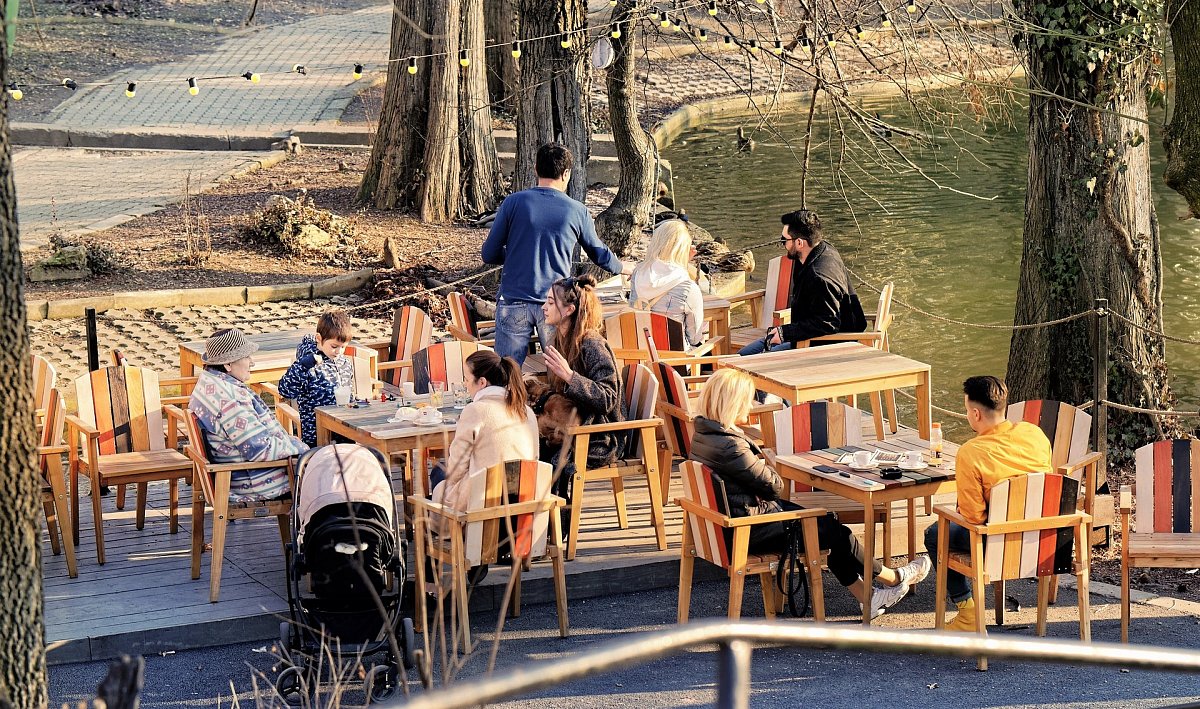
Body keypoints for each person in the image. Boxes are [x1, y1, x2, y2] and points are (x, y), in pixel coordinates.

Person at [689, 369, 931, 618]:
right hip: (751, 530)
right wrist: (762, 458)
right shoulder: (732, 446)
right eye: (746, 400)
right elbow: (774, 486)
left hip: (735, 526)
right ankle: (894, 578)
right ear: (732, 403)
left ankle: (869, 597)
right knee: (836, 533)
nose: (750, 406)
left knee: (829, 526)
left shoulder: (703, 436)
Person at [482, 142, 632, 365]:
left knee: (506, 373)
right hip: (556, 303)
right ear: (566, 173)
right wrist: (622, 267)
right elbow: (598, 252)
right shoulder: (577, 211)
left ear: (535, 168)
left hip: (513, 300)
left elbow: (489, 253)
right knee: (561, 371)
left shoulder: (513, 203)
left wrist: (516, 257)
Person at [924, 375, 1052, 632]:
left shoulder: (971, 452)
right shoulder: (1035, 434)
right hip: (1042, 540)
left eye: (966, 411)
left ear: (975, 414)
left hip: (998, 546)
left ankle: (968, 613)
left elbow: (974, 518)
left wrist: (956, 511)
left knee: (935, 534)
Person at [540, 274, 624, 525]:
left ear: (569, 310)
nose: (543, 307)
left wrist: (570, 376)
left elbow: (608, 398)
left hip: (600, 437)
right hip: (572, 430)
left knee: (554, 462)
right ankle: (530, 525)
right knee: (527, 449)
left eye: (550, 302)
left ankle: (557, 527)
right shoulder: (560, 340)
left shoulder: (592, 344)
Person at [189, 328, 308, 501]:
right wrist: (298, 446)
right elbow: (259, 448)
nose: (252, 362)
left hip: (238, 473)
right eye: (246, 357)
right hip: (256, 483)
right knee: (331, 473)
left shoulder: (209, 383)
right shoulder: (229, 400)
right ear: (228, 365)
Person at [739, 209, 866, 356]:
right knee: (742, 354)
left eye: (784, 240)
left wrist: (785, 333)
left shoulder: (819, 278)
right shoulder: (823, 250)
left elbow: (828, 323)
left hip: (821, 346)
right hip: (804, 336)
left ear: (799, 243)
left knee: (748, 360)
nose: (783, 244)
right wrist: (785, 332)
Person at [430, 349, 539, 513]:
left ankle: (445, 525)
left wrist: (450, 488)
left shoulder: (475, 410)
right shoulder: (526, 411)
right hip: (523, 500)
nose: (465, 385)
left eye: (467, 379)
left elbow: (457, 467)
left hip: (484, 503)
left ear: (482, 382)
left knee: (438, 472)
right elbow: (534, 457)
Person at [277, 309, 355, 446]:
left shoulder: (345, 363)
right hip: (316, 434)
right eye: (334, 346)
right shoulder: (307, 363)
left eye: (343, 347)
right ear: (319, 338)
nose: (339, 351)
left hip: (345, 430)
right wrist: (303, 365)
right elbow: (285, 390)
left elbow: (350, 394)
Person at [628, 219, 706, 346]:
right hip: (674, 356)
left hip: (640, 350)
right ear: (683, 250)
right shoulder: (688, 288)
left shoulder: (638, 274)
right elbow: (694, 338)